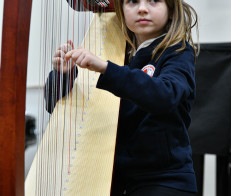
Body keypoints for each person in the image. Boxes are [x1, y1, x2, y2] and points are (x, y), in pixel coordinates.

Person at [46, 0, 199, 195]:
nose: (142, 8)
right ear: (120, 11)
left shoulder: (178, 52)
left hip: (164, 178)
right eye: (132, 2)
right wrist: (63, 74)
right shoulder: (116, 50)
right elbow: (54, 106)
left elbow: (166, 96)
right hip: (114, 178)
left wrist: (106, 68)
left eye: (153, 1)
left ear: (170, 10)